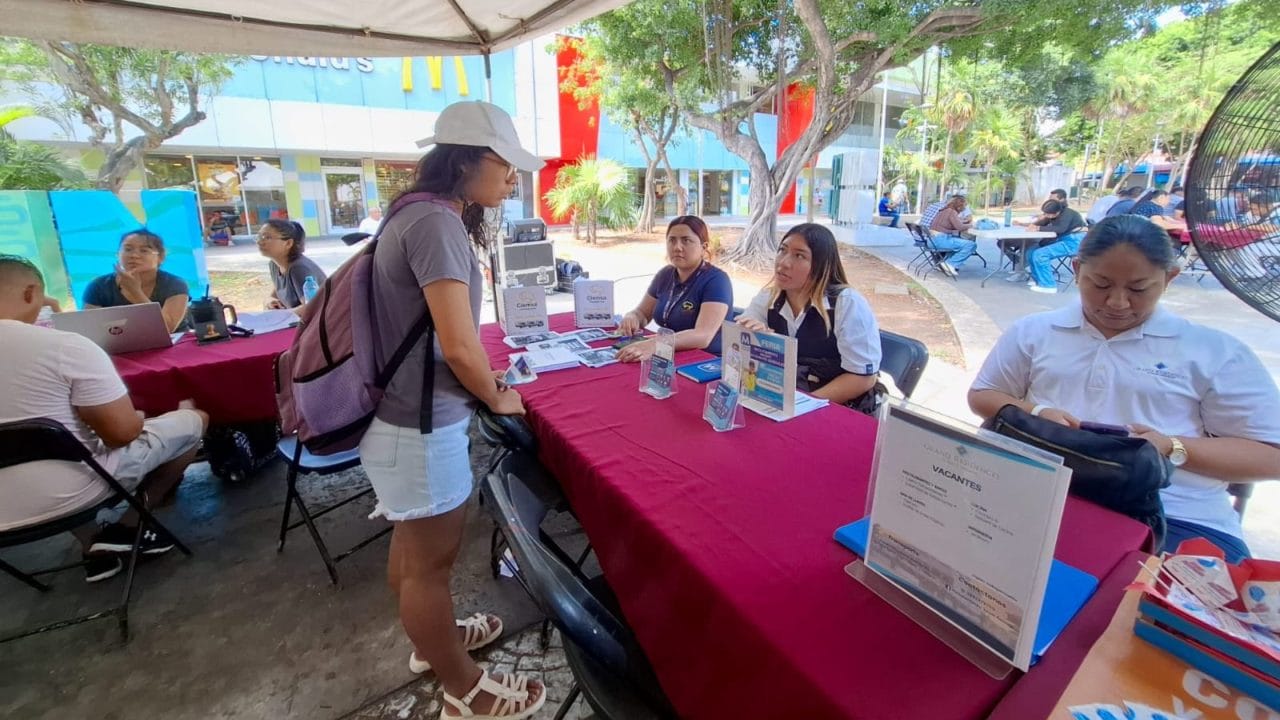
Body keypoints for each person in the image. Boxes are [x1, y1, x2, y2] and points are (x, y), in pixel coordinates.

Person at [357, 101, 545, 720]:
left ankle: (432, 644)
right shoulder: (436, 224)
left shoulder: (411, 213)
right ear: (468, 161)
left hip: (402, 418)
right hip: (421, 424)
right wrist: (497, 395)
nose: (513, 178)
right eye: (506, 164)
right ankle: (463, 687)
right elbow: (460, 343)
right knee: (429, 567)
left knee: (414, 556)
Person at [967, 216, 1280, 563]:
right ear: (1076, 269)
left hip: (1178, 517)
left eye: (1138, 289)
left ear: (1169, 278)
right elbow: (983, 395)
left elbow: (1271, 454)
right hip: (1048, 499)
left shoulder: (1213, 352)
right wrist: (1037, 414)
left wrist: (1171, 446)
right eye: (1100, 284)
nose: (1117, 302)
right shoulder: (1034, 332)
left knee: (1146, 610)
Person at [0, 255, 209, 582]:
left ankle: (91, 545)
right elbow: (122, 434)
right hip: (77, 490)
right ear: (31, 294)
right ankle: (129, 527)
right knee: (194, 418)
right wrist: (139, 417)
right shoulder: (64, 347)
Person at [737, 224, 882, 409]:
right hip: (788, 398)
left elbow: (863, 377)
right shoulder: (769, 297)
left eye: (799, 255)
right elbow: (743, 337)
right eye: (782, 250)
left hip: (834, 405)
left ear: (821, 265)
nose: (783, 262)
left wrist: (802, 404)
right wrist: (753, 334)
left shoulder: (847, 303)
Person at [616, 215, 733, 361]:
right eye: (672, 240)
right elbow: (643, 313)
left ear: (703, 248)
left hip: (706, 361)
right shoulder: (665, 275)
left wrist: (654, 344)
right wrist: (632, 317)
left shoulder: (717, 280)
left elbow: (703, 336)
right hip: (668, 354)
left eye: (686, 240)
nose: (677, 247)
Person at [82, 229, 190, 333]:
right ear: (118, 254)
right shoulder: (98, 286)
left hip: (174, 346)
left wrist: (136, 293)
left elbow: (167, 328)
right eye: (128, 249)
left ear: (161, 257)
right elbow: (90, 329)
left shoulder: (175, 284)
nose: (134, 255)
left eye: (144, 250)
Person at [258, 219, 326, 310]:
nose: (260, 242)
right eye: (260, 237)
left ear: (288, 243)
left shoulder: (299, 268)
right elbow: (273, 296)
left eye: (267, 237)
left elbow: (311, 308)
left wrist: (282, 316)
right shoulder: (274, 265)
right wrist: (269, 302)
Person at [1023, 200, 1087, 293]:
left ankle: (1048, 285)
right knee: (1031, 251)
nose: (1046, 215)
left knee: (1040, 254)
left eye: (1048, 214)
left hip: (1074, 241)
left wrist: (1038, 228)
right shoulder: (1053, 214)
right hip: (1063, 239)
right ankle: (1038, 280)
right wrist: (1033, 225)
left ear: (1057, 212)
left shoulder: (1068, 214)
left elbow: (1060, 229)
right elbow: (1044, 222)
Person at [927, 195, 979, 277]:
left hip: (932, 240)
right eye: (964, 206)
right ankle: (950, 264)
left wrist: (961, 224)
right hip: (940, 240)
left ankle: (944, 264)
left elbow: (949, 225)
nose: (965, 208)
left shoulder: (944, 210)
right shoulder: (951, 212)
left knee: (958, 241)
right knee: (971, 245)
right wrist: (971, 225)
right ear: (959, 206)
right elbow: (960, 227)